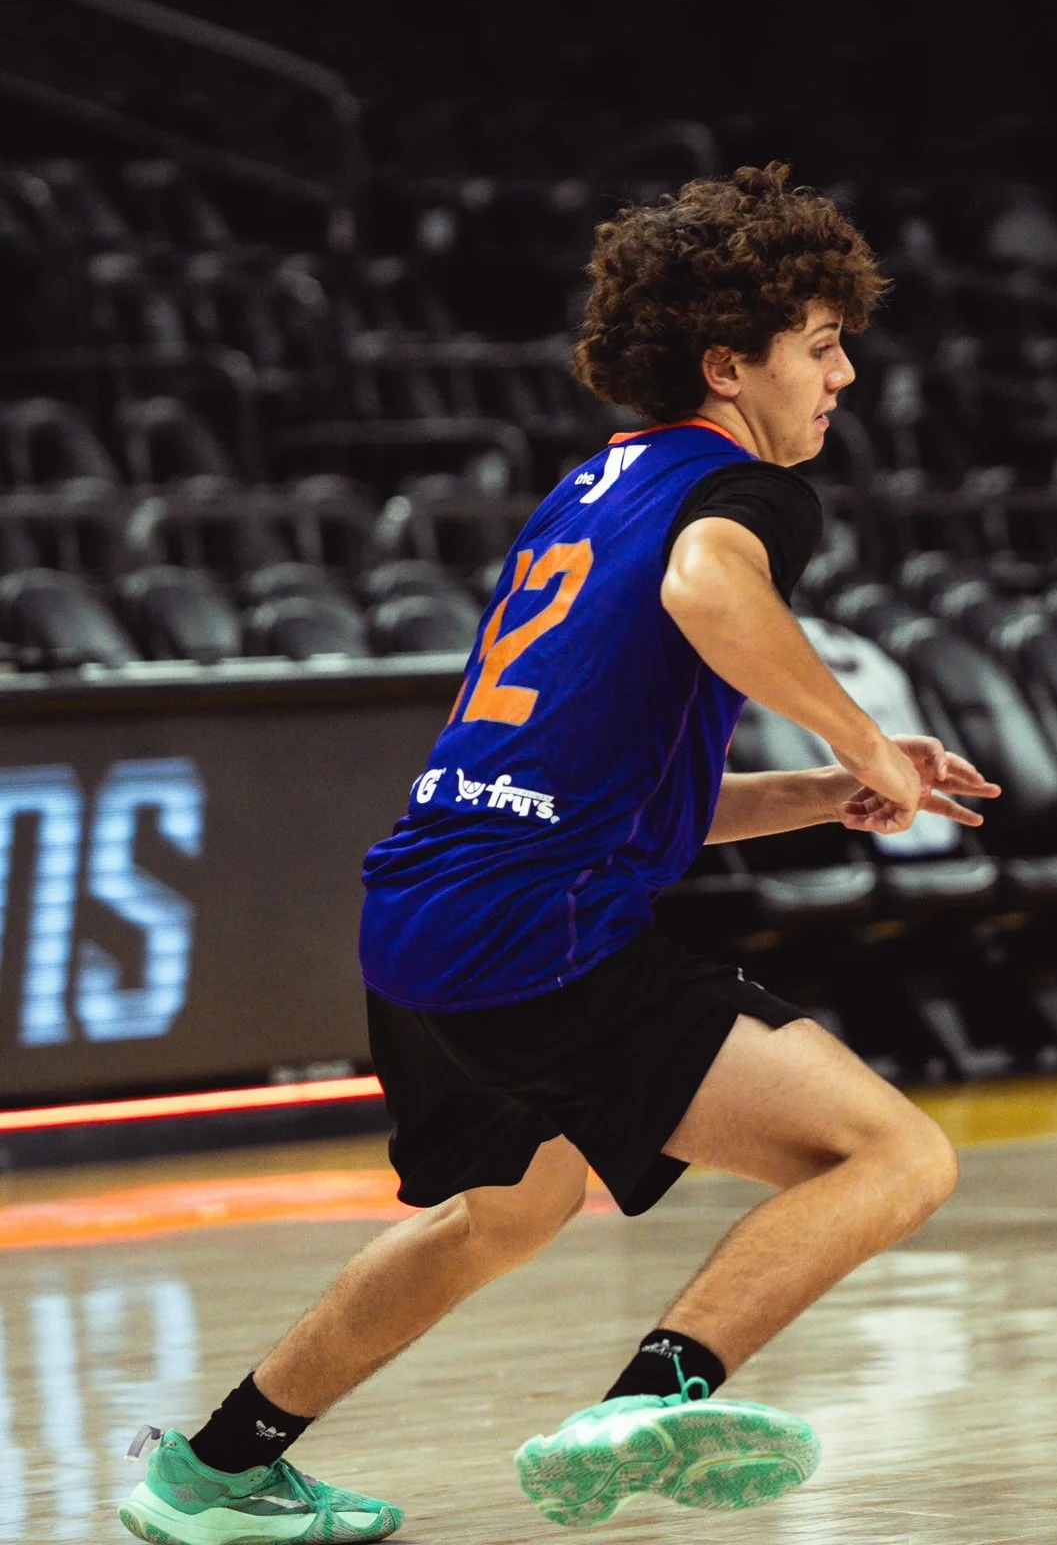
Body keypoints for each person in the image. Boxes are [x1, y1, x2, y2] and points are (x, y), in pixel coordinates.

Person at [119, 166, 998, 1543]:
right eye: (820, 348)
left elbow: (639, 796)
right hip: (534, 929)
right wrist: (867, 732)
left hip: (419, 914)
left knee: (508, 1209)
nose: (842, 378)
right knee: (888, 1157)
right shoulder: (740, 493)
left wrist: (831, 790)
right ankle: (649, 1399)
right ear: (728, 365)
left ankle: (215, 1471)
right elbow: (712, 592)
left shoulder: (591, 488)